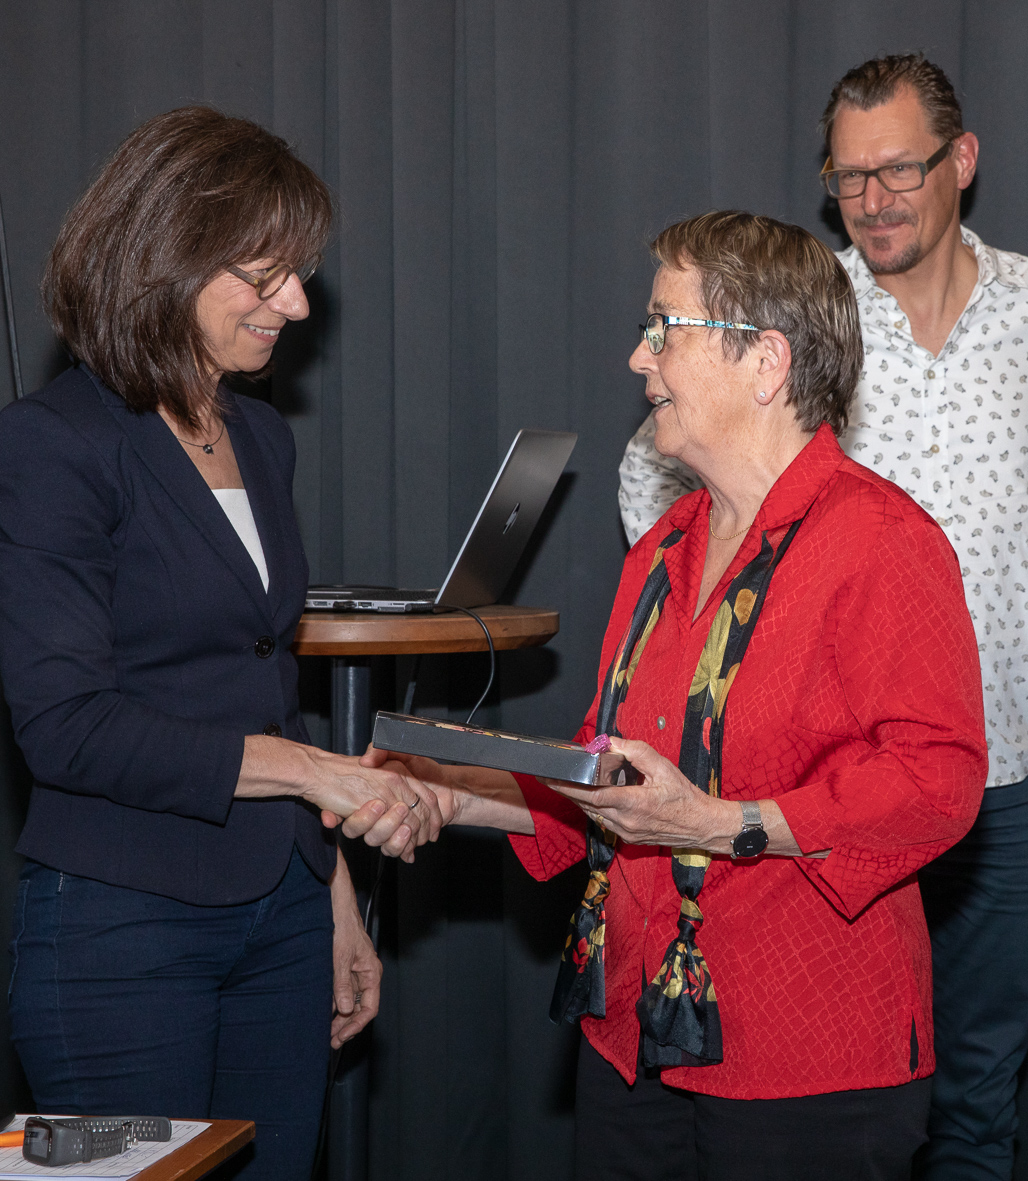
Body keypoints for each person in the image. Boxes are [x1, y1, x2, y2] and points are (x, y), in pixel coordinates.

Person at [616, 56, 1028, 1180]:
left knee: (977, 1092)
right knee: (824, 1089)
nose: (873, 198)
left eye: (896, 169)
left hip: (1008, 770)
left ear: (961, 161)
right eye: (847, 178)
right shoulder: (795, 316)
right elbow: (649, 485)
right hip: (811, 785)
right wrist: (695, 642)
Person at [353, 211, 988, 1179]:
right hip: (636, 1034)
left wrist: (726, 820)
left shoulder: (880, 542)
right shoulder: (661, 549)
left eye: (663, 327)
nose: (635, 357)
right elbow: (609, 789)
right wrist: (442, 788)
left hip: (805, 1058)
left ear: (764, 361)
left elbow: (936, 783)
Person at [0, 107, 443, 1180]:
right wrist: (321, 773)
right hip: (121, 930)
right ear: (163, 258)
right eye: (265, 273)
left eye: (300, 273)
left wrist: (329, 896)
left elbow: (264, 686)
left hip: (279, 915)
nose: (298, 302)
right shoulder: (53, 444)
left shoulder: (261, 436)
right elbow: (67, 726)